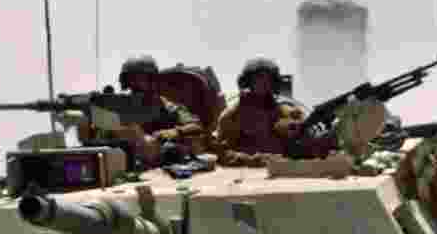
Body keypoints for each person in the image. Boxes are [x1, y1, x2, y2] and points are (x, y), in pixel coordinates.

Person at [73, 55, 204, 166]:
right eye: (131, 82)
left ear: (153, 81)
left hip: (161, 162)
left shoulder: (166, 106)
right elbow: (99, 139)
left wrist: (175, 131)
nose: (134, 86)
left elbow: (196, 125)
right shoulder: (121, 107)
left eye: (139, 81)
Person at [213, 58, 324, 166]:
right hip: (244, 173)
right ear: (248, 82)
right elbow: (221, 151)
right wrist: (250, 159)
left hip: (281, 170)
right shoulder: (233, 114)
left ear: (273, 82)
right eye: (258, 79)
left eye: (268, 80)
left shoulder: (288, 112)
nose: (263, 83)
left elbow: (307, 144)